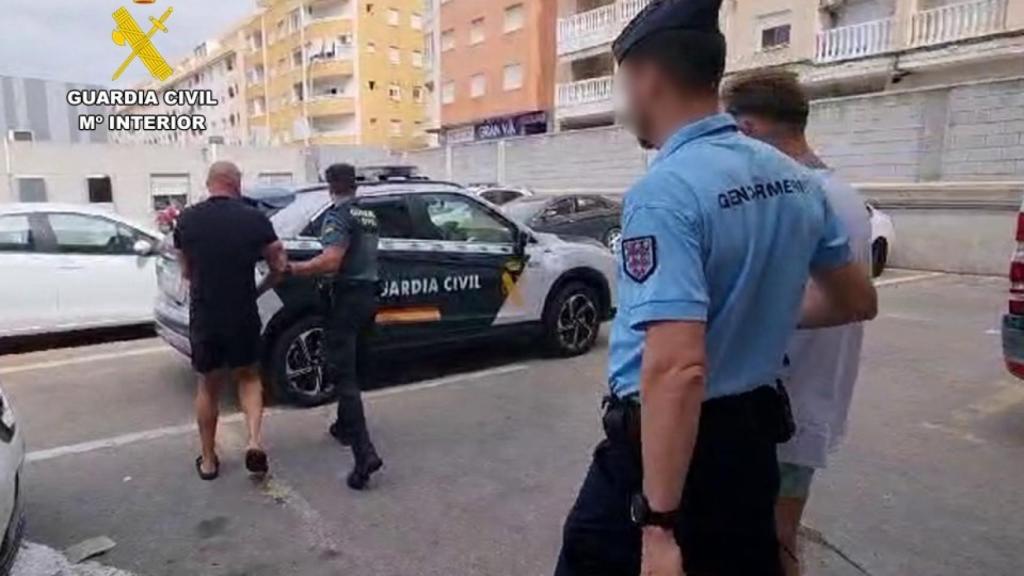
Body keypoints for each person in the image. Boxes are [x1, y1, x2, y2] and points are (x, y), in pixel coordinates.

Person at [553, 1, 879, 575]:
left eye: (623, 85)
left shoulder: (666, 191)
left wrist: (658, 528)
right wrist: (755, 309)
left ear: (647, 78)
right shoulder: (798, 181)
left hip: (666, 457)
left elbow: (677, 370)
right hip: (752, 450)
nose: (625, 104)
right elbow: (855, 299)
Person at [723, 71, 874, 576]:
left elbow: (835, 301)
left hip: (786, 403)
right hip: (809, 398)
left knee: (773, 538)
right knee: (774, 532)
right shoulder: (841, 191)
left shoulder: (803, 195)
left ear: (746, 130)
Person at [174, 161, 288, 481]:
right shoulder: (254, 219)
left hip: (206, 312)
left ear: (209, 183)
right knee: (249, 377)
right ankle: (253, 441)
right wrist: (261, 288)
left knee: (208, 385)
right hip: (242, 311)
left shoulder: (188, 219)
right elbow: (279, 263)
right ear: (236, 184)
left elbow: (185, 271)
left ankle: (209, 461)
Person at [288, 163, 384, 491]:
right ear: (353, 184)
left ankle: (364, 455)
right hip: (369, 298)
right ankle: (344, 427)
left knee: (343, 376)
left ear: (330, 186)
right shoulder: (368, 215)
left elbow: (331, 260)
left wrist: (296, 269)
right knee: (352, 367)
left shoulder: (338, 216)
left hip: (346, 300)